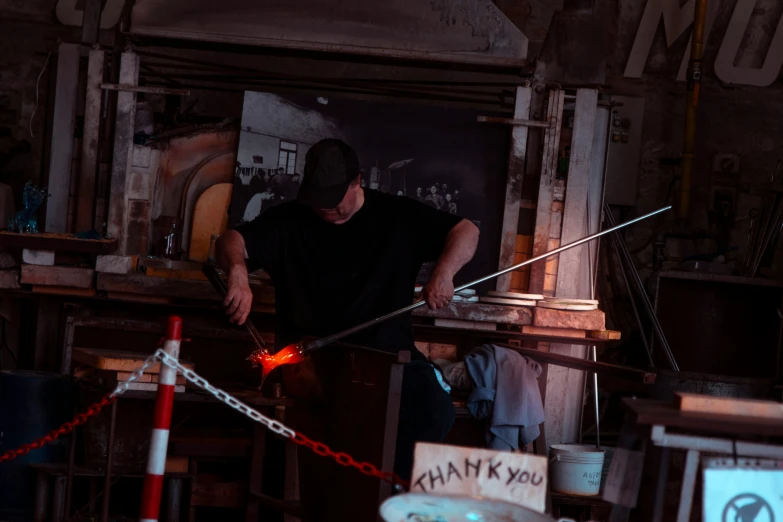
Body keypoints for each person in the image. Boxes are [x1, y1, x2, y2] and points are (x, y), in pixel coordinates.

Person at [216, 138, 479, 482]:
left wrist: (444, 272)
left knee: (434, 409)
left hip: (387, 358)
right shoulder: (290, 220)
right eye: (317, 199)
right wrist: (238, 272)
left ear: (357, 181)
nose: (324, 208)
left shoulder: (397, 216)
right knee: (344, 424)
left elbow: (466, 230)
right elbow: (230, 240)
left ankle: (385, 495)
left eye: (333, 199)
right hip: (312, 362)